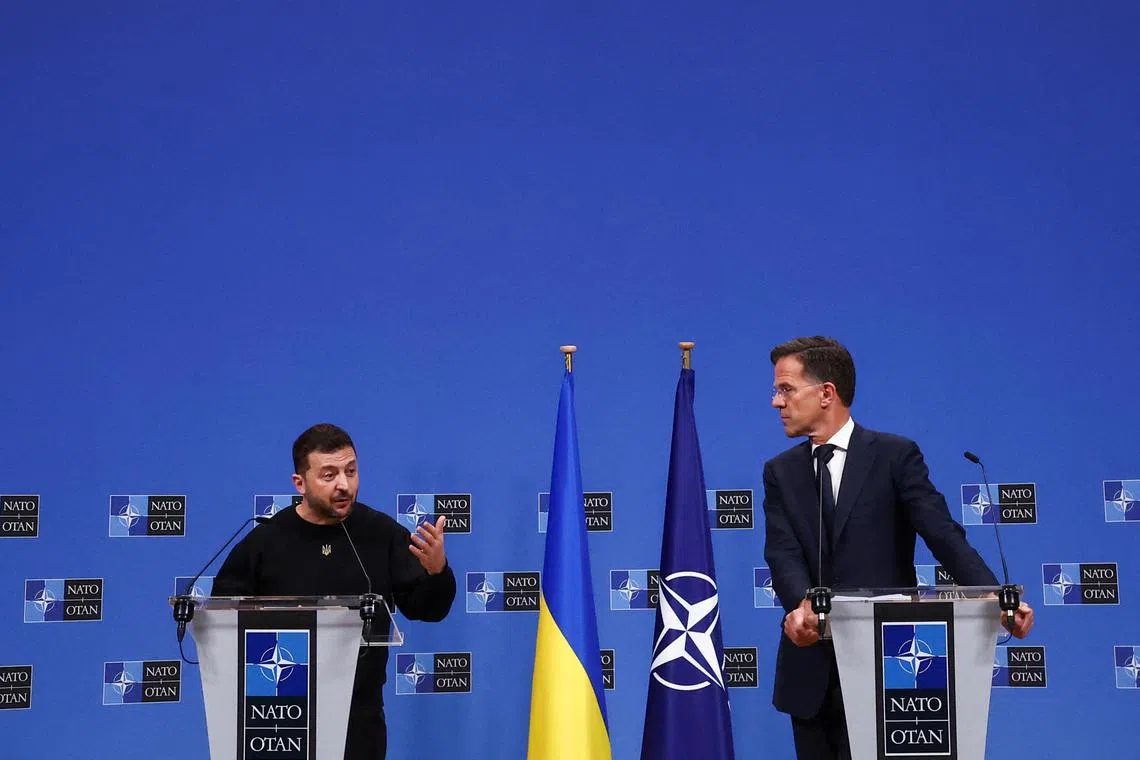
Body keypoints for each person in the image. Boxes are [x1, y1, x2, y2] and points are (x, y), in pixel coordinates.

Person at [760, 337, 1034, 760]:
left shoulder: (894, 456)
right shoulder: (780, 471)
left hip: (892, 664)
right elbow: (783, 551)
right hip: (811, 669)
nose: (776, 401)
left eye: (786, 389)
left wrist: (994, 596)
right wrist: (800, 606)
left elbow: (942, 534)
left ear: (826, 393)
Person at [213, 423, 456, 760]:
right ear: (300, 483)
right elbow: (222, 621)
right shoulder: (265, 542)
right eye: (329, 475)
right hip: (280, 717)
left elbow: (427, 609)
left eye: (351, 471)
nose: (344, 485)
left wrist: (436, 571)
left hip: (359, 720)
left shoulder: (381, 533)